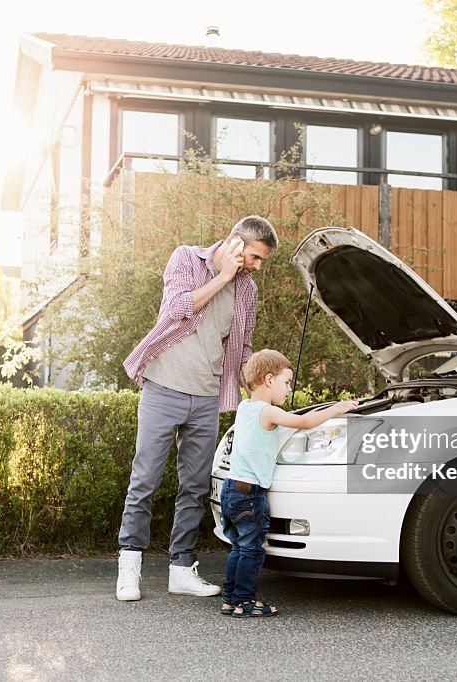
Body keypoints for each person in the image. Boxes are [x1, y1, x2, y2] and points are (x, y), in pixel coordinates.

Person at [116, 215, 279, 601]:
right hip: (164, 388)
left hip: (206, 397)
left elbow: (242, 348)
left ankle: (180, 570)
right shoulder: (187, 259)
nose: (257, 267)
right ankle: (129, 568)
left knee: (194, 486)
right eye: (254, 257)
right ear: (236, 244)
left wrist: (262, 386)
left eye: (261, 261)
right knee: (145, 481)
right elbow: (176, 309)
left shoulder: (248, 291)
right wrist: (222, 276)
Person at [220, 349, 358, 617]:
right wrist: (337, 408)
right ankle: (245, 601)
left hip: (231, 489)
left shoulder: (245, 408)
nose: (289, 388)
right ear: (269, 380)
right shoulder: (268, 412)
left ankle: (231, 598)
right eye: (287, 382)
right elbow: (305, 422)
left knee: (239, 547)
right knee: (251, 550)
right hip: (249, 494)